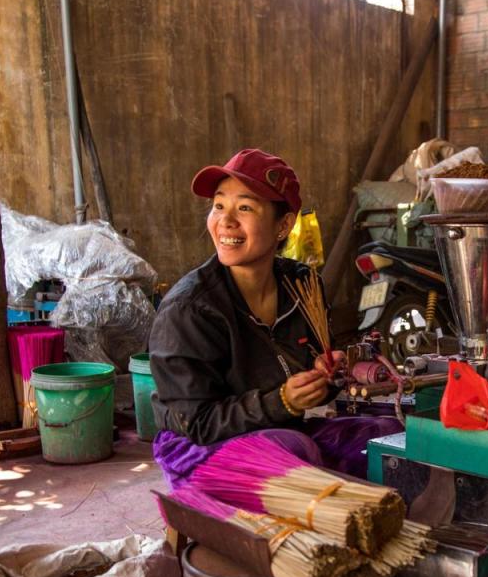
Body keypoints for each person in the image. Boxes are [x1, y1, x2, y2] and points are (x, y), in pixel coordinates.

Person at [148, 149, 402, 486]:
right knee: (296, 451)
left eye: (245, 208)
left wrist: (323, 377)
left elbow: (310, 385)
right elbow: (197, 423)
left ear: (283, 225)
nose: (225, 220)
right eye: (219, 205)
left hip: (277, 429)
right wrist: (281, 401)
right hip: (196, 448)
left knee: (389, 439)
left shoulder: (302, 286)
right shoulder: (190, 309)